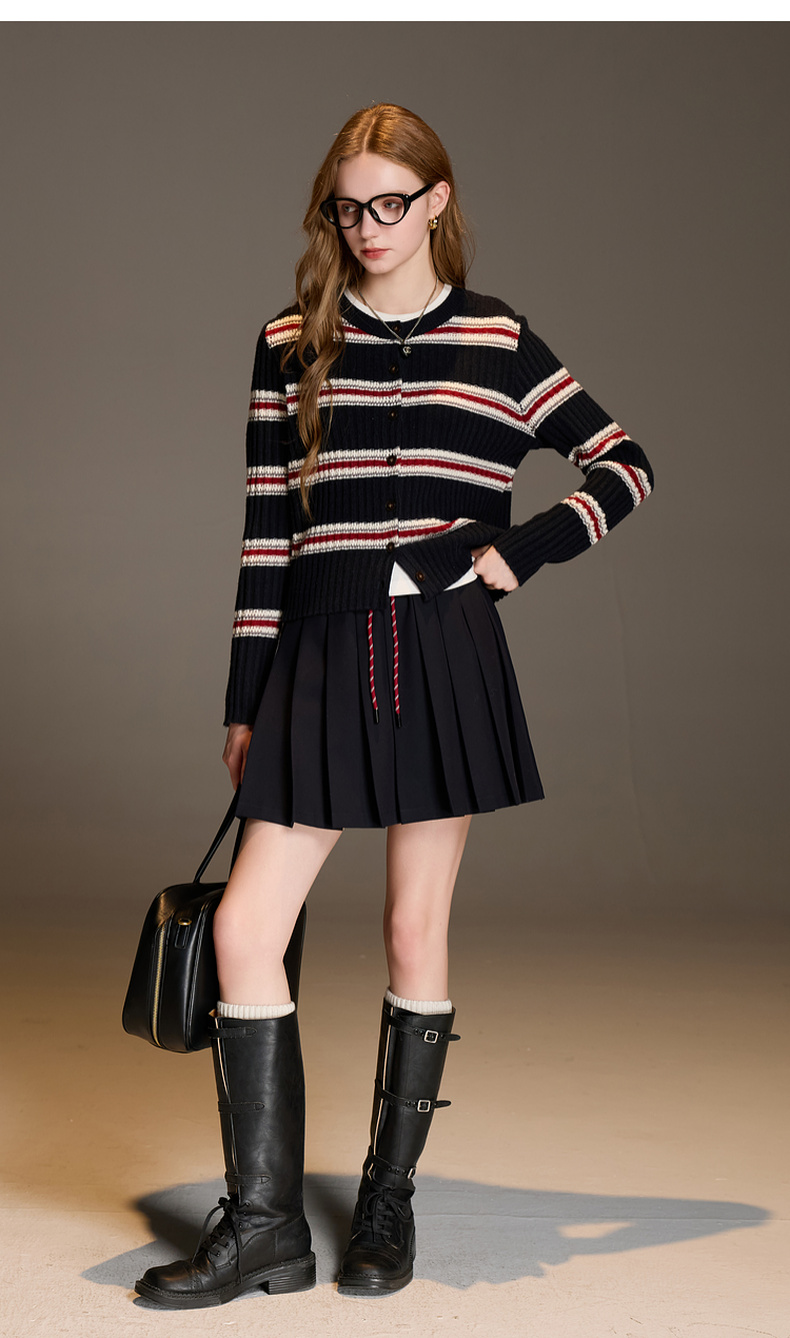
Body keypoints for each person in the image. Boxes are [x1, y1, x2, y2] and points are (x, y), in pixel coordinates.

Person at [134, 103, 653, 1309]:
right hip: (313, 657)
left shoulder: (497, 337)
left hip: (439, 651)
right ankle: (266, 1227)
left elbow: (623, 465)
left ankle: (388, 1200)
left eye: (389, 203)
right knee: (244, 932)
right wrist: (245, 700)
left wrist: (520, 552)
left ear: (436, 201)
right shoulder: (289, 340)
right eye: (346, 207)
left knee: (414, 932)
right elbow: (267, 536)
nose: (367, 227)